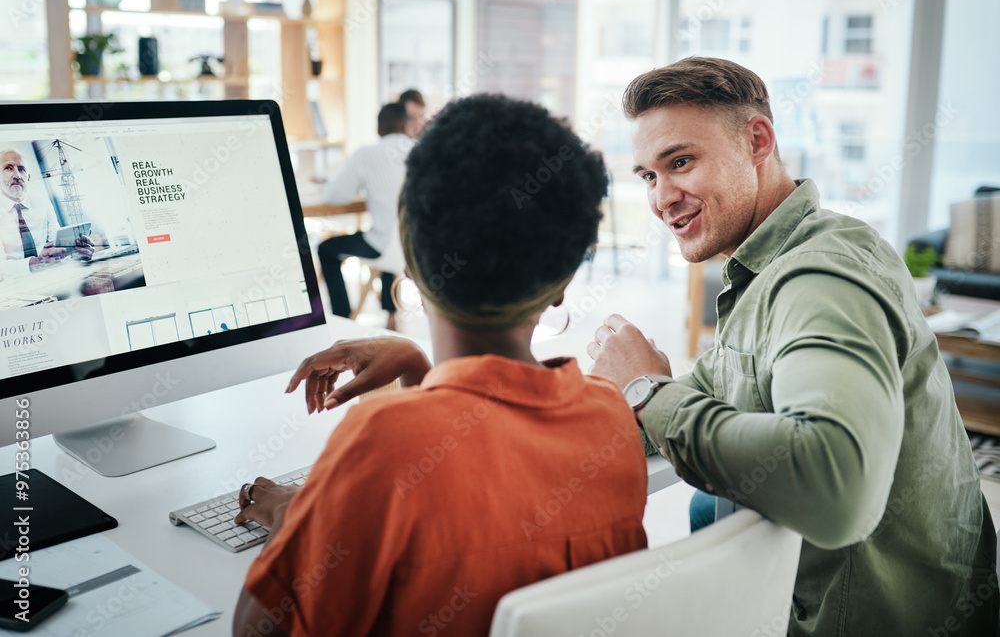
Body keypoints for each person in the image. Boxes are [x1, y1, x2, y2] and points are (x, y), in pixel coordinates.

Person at [586, 57, 996, 636]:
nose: (662, 198)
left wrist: (646, 391)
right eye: (648, 176)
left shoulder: (818, 277)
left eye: (680, 162)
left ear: (757, 141)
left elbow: (836, 487)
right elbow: (706, 391)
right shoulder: (766, 267)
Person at [231, 95, 649, 637]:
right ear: (564, 281)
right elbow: (490, 469)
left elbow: (254, 630)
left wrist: (300, 515)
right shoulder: (610, 419)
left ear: (411, 259)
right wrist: (418, 369)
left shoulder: (380, 443)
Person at [316, 103, 414, 326]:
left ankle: (343, 317)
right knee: (391, 230)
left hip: (384, 247)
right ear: (406, 126)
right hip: (416, 249)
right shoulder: (421, 150)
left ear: (379, 129)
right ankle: (391, 314)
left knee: (326, 249)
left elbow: (333, 195)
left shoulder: (366, 154)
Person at [0, 149, 93, 277]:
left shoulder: (42, 204)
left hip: (49, 277)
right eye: (8, 168)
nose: (17, 175)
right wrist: (37, 263)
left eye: (21, 169)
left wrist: (76, 253)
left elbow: (55, 246)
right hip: (12, 288)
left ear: (28, 177)